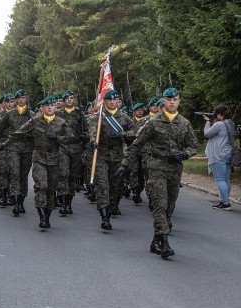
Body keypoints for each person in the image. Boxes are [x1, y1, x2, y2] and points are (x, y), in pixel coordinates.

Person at [117, 87, 197, 258]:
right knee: (160, 204)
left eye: (175, 99)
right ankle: (165, 243)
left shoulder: (184, 123)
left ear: (179, 101)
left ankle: (156, 241)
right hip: (156, 166)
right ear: (163, 102)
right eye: (169, 100)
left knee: (169, 206)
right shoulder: (153, 122)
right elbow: (137, 144)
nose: (172, 102)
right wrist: (125, 163)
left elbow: (193, 145)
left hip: (175, 169)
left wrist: (187, 153)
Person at [5, 96, 77, 228]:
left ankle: (47, 215)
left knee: (51, 189)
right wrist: (6, 143)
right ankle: (42, 216)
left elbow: (72, 139)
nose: (50, 107)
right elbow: (19, 133)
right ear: (43, 108)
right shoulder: (35, 121)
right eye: (47, 105)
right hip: (39, 158)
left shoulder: (61, 122)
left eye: (52, 105)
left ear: (56, 107)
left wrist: (58, 138)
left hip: (55, 159)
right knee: (42, 186)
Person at [87, 89, 134, 230]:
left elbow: (135, 132)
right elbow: (93, 131)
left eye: (115, 100)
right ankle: (104, 217)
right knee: (102, 185)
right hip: (102, 155)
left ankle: (113, 206)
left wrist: (122, 134)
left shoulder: (125, 118)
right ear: (105, 101)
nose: (112, 102)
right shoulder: (99, 117)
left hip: (118, 156)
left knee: (116, 186)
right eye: (109, 100)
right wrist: (93, 141)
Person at [0, 89, 34, 215]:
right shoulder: (10, 114)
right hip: (13, 148)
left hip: (27, 149)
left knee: (23, 176)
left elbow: (39, 130)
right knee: (14, 174)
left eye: (24, 98)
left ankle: (21, 202)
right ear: (16, 100)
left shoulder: (32, 115)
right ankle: (16, 203)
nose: (22, 100)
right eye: (19, 98)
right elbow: (0, 129)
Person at [55, 90, 86, 215]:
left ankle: (69, 203)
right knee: (63, 174)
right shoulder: (58, 114)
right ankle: (62, 202)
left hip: (76, 148)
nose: (69, 100)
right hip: (62, 147)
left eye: (71, 98)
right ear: (63, 101)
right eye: (67, 98)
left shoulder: (79, 114)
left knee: (73, 176)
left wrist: (85, 136)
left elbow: (87, 130)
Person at [202, 105, 234, 210]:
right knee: (226, 179)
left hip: (218, 154)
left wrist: (207, 122)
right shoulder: (231, 123)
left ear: (220, 115)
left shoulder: (219, 124)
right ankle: (225, 200)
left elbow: (207, 134)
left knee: (220, 179)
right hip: (228, 152)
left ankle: (226, 203)